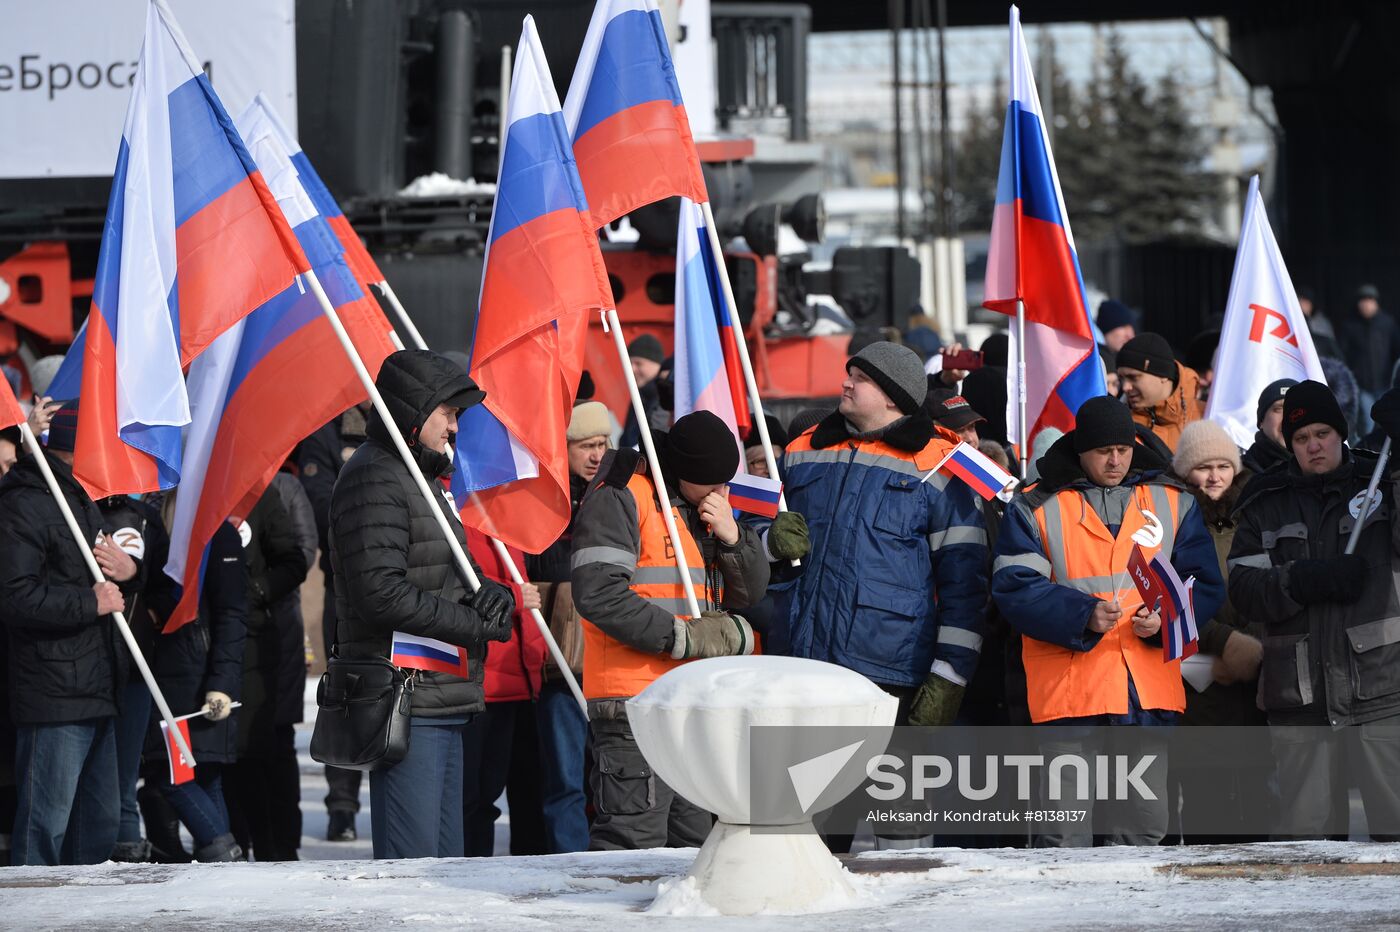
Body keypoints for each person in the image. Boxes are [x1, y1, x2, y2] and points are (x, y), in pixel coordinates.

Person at [992, 397, 1223, 846]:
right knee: (1064, 837)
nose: (1115, 459)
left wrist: (1166, 620)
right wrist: (1084, 615)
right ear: (1079, 449)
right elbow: (1014, 587)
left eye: (1123, 448)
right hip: (1071, 701)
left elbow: (1204, 584)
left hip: (1147, 697)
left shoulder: (1174, 501)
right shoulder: (1034, 506)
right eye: (1103, 451)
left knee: (1144, 831)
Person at [328, 350, 515, 859]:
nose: (455, 427)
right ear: (415, 409)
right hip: (403, 694)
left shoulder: (420, 477)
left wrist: (490, 592)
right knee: (414, 871)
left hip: (438, 695)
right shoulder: (376, 477)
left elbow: (445, 564)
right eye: (448, 414)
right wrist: (472, 624)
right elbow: (380, 593)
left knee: (444, 868)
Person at [572, 410, 770, 851]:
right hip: (634, 703)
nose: (723, 492)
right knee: (632, 844)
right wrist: (686, 638)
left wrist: (734, 537)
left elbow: (750, 593)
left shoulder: (704, 505)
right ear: (684, 472)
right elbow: (598, 593)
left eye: (727, 484)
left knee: (693, 847)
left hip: (692, 699)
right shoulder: (624, 494)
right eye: (714, 484)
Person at [778, 342, 989, 727]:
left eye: (860, 379)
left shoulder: (939, 465)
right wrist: (769, 540)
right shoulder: (801, 449)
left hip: (886, 670)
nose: (846, 384)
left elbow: (966, 586)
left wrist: (950, 676)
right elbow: (755, 524)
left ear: (893, 397)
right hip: (797, 660)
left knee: (879, 787)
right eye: (849, 375)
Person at [1229, 381, 1400, 840]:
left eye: (1322, 433)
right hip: (1298, 698)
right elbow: (1243, 589)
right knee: (1308, 848)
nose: (1313, 446)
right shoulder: (1265, 502)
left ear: (1341, 434)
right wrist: (1301, 580)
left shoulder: (1381, 482)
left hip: (1382, 691)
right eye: (1301, 438)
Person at [0, 406, 143, 866]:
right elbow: (14, 596)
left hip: (98, 686)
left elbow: (105, 575)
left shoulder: (81, 499)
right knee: (44, 829)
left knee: (96, 832)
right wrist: (90, 603)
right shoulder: (24, 502)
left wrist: (130, 573)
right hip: (54, 692)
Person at [1166, 419, 1272, 843]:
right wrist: (1216, 653)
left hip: (1255, 684)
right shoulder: (1171, 522)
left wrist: (1254, 647)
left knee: (1258, 798)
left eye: (1222, 466)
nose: (1214, 476)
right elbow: (1169, 598)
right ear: (1184, 472)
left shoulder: (1257, 515)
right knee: (1205, 802)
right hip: (1199, 687)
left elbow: (1269, 588)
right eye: (1203, 467)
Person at [525, 401, 610, 854]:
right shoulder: (546, 501)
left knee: (609, 777)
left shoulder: (616, 496)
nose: (596, 455)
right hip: (560, 660)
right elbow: (538, 562)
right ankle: (569, 863)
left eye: (602, 444)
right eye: (586, 446)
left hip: (610, 660)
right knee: (564, 779)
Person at [143, 513, 248, 863]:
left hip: (196, 682)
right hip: (175, 676)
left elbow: (232, 614)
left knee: (174, 776)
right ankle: (225, 866)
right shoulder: (161, 529)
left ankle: (224, 855)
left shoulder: (219, 536)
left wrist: (221, 684)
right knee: (203, 776)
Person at [224, 482, 310, 862]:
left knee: (263, 751)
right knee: (224, 755)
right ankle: (231, 847)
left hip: (261, 641)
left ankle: (276, 848)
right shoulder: (191, 486)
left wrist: (256, 592)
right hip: (209, 645)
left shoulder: (273, 490)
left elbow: (297, 557)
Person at [298, 403, 370, 841]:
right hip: (346, 587)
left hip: (407, 583)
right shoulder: (327, 428)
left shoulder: (411, 421)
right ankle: (341, 804)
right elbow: (320, 505)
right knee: (346, 696)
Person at [461, 532, 546, 857]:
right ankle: (467, 877)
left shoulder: (509, 525)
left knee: (529, 794)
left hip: (523, 681)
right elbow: (464, 589)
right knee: (477, 798)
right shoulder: (466, 518)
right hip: (486, 683)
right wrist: (515, 596)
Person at [1116, 332, 1204, 452]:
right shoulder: (1120, 423)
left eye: (1133, 377)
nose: (1125, 387)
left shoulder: (1208, 415)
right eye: (1121, 379)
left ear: (1163, 375)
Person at [1338, 284, 1400, 435]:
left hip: (1385, 383)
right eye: (1363, 300)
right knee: (1367, 421)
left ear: (1376, 302)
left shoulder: (1387, 323)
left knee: (1388, 422)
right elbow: (1341, 354)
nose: (1366, 304)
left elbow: (1396, 351)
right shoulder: (1350, 326)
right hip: (1362, 385)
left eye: (1370, 300)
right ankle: (1370, 456)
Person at [618, 333, 668, 449]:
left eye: (638, 363)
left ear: (656, 364)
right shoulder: (639, 396)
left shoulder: (666, 397)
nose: (632, 369)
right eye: (630, 363)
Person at [1242, 379, 1297, 474]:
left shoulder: (1325, 471)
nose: (1288, 418)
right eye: (1278, 409)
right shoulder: (1235, 476)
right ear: (1261, 421)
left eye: (1296, 409)